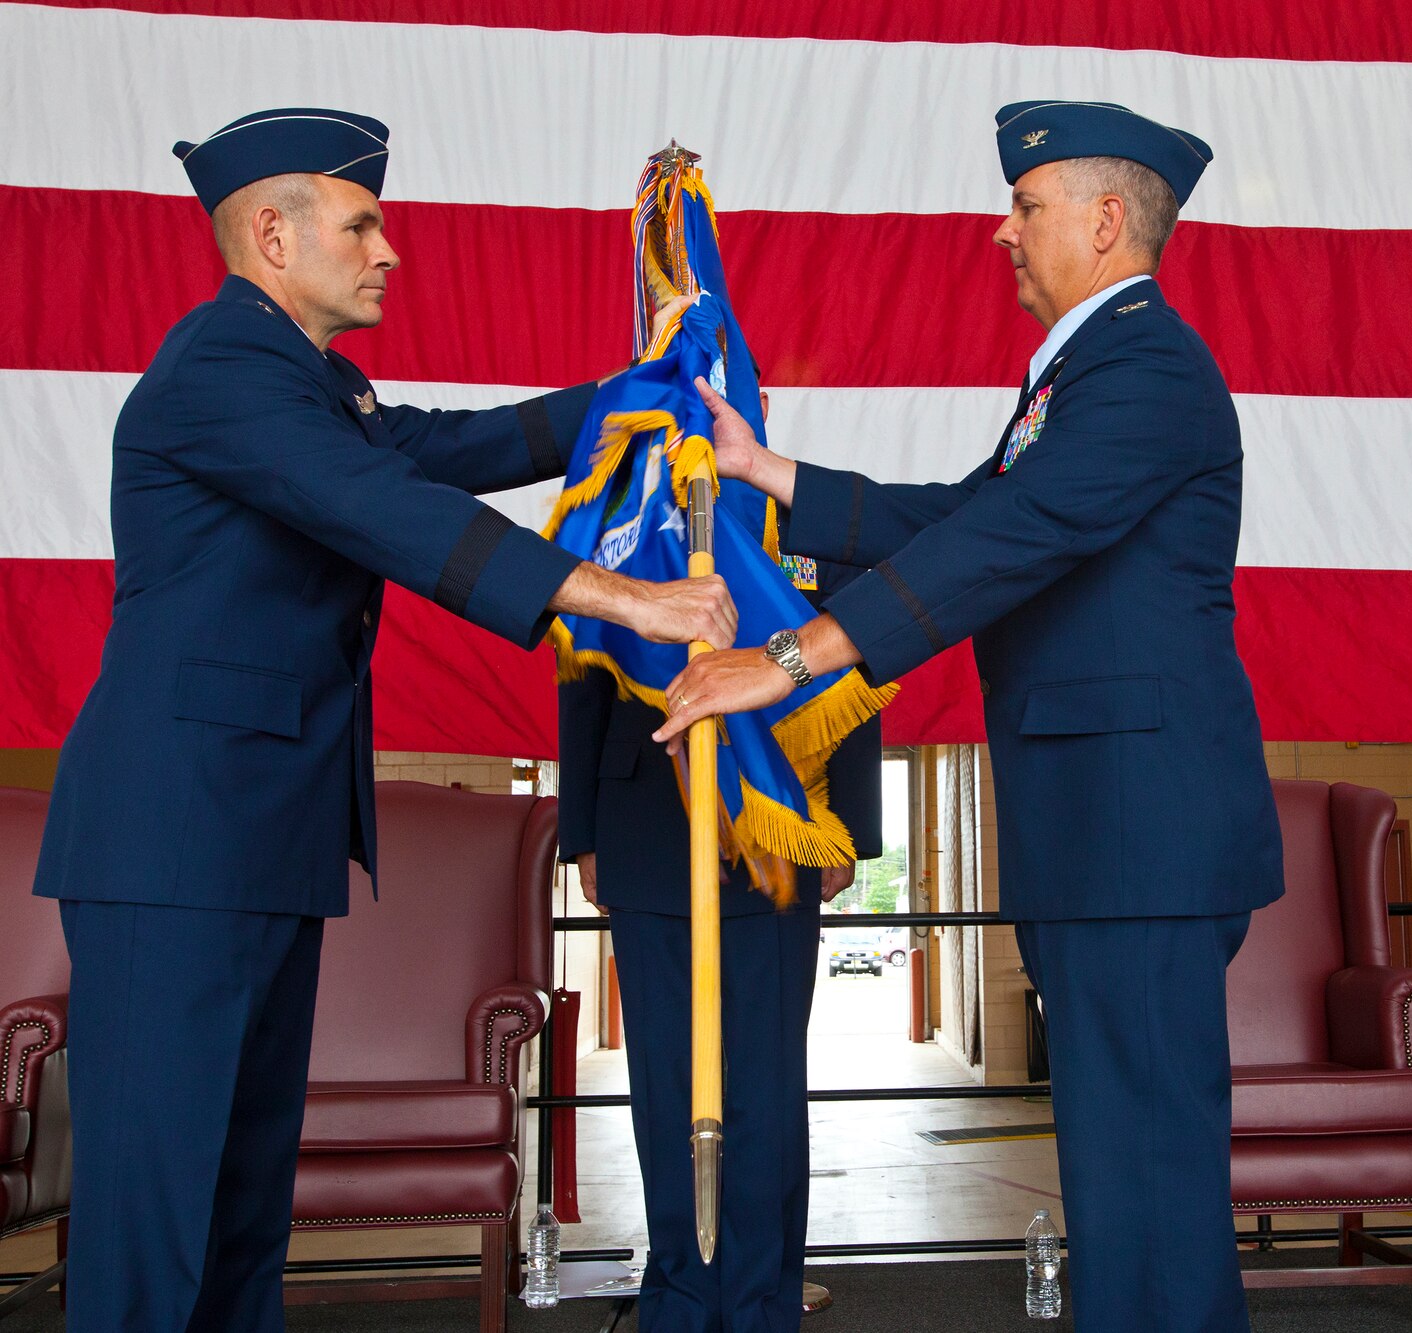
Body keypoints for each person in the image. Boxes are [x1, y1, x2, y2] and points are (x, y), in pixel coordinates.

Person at [31, 107, 735, 1332]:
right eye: (360, 224)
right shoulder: (218, 366)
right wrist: (631, 599)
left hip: (262, 840)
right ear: (269, 233)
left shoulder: (316, 384)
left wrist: (644, 388)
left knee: (244, 1204)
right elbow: (386, 510)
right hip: (173, 848)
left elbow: (442, 448)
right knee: (157, 1218)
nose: (388, 249)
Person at [654, 101, 1283, 1333]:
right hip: (1099, 832)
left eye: (1026, 205)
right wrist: (767, 472)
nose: (1002, 230)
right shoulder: (1088, 370)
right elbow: (967, 512)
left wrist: (791, 657)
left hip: (1141, 834)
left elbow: (1014, 536)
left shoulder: (1148, 364)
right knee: (1115, 1167)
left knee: (1146, 1172)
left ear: (1105, 221)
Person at [557, 382, 882, 1333]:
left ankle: (759, 1298)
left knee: (768, 1085)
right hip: (648, 827)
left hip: (775, 832)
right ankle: (682, 1297)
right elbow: (583, 674)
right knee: (663, 1081)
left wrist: (849, 831)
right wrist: (582, 829)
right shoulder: (623, 522)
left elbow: (852, 669)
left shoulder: (799, 520)